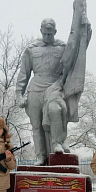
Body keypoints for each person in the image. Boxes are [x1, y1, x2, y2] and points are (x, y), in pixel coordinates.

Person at [16, 18, 70, 166]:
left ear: (55, 32)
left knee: (56, 110)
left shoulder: (64, 47)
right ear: (41, 32)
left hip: (54, 87)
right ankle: (41, 156)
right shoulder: (31, 49)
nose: (47, 37)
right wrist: (19, 94)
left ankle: (58, 143)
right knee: (36, 126)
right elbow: (24, 73)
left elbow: (73, 63)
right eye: (45, 34)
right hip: (35, 89)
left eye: (50, 34)